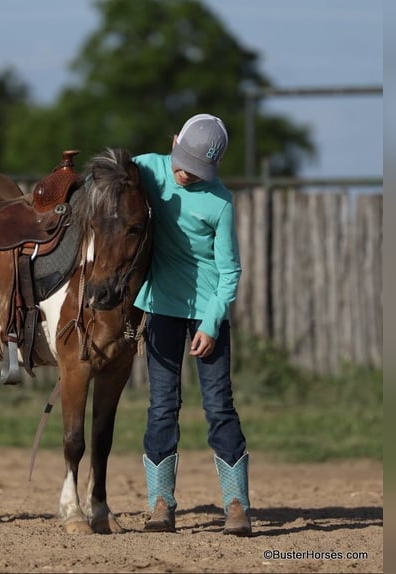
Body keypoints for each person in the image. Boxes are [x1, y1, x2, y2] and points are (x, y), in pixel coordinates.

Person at [132, 113, 252, 535]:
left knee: (219, 406)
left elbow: (230, 270)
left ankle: (236, 504)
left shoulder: (219, 202)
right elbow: (111, 186)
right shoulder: (147, 168)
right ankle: (160, 504)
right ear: (173, 145)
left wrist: (212, 323)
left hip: (207, 314)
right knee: (162, 406)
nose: (184, 175)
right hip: (161, 307)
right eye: (182, 163)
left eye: (196, 170)